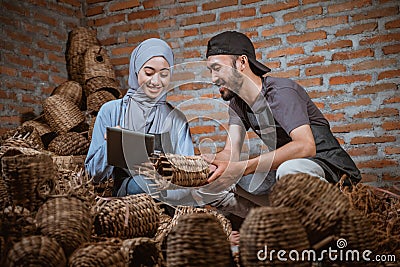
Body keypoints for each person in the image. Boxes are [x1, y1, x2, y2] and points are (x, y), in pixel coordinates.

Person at [204, 31, 362, 198]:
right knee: (220, 181)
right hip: (286, 171)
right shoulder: (238, 104)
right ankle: (275, 217)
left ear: (242, 62)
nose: (213, 79)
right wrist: (205, 163)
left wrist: (244, 167)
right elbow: (230, 153)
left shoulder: (280, 92)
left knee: (289, 170)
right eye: (211, 71)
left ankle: (336, 209)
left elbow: (306, 146)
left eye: (218, 68)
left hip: (329, 170)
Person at [85, 38, 194, 196]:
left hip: (169, 195)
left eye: (164, 74)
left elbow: (188, 174)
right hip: (129, 199)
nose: (156, 81)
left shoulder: (177, 119)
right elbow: (92, 175)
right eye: (149, 73)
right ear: (136, 71)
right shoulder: (111, 111)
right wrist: (109, 146)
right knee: (142, 184)